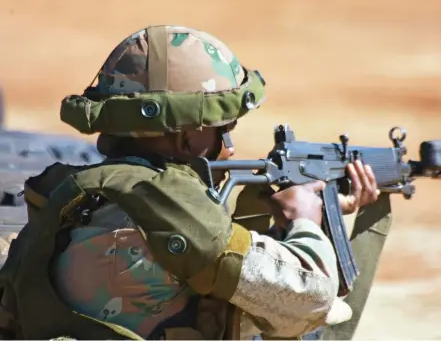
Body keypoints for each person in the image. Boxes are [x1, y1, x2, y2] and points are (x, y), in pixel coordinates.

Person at [2, 25, 379, 340]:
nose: (230, 149)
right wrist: (306, 221)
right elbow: (310, 298)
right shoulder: (173, 221)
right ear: (187, 139)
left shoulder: (77, 199)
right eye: (224, 131)